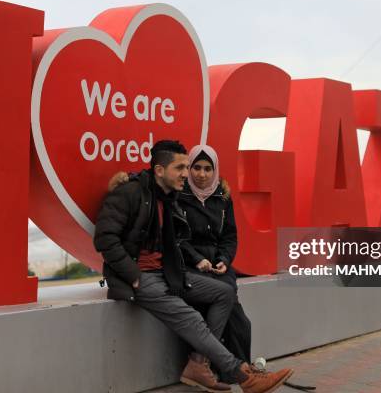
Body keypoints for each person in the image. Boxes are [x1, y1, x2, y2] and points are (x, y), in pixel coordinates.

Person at [94, 140, 293, 393]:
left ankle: (198, 364)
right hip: (140, 277)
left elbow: (183, 241)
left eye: (187, 167)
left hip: (167, 273)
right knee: (192, 317)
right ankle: (245, 378)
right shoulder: (129, 194)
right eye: (181, 168)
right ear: (159, 170)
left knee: (225, 293)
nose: (187, 174)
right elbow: (104, 239)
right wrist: (132, 275)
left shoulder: (169, 197)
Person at [178, 144, 252, 382]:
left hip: (218, 270)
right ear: (188, 168)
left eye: (208, 169)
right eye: (196, 167)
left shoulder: (222, 197)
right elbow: (176, 238)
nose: (202, 174)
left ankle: (236, 371)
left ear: (215, 170)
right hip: (190, 268)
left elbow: (229, 236)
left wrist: (224, 260)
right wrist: (197, 259)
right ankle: (230, 371)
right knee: (213, 312)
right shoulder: (178, 196)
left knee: (240, 323)